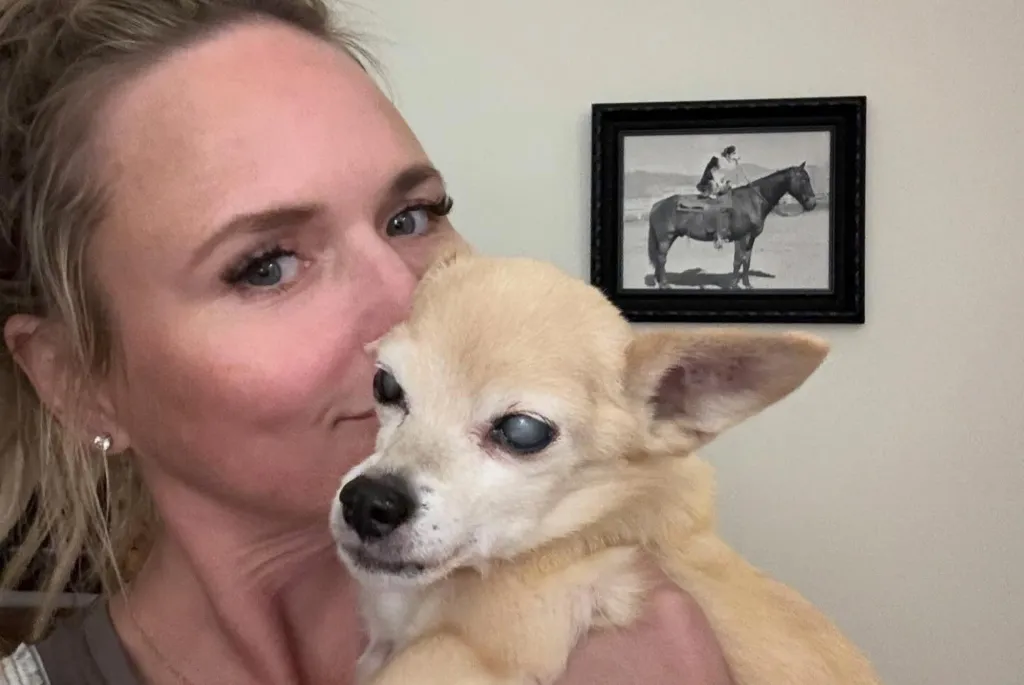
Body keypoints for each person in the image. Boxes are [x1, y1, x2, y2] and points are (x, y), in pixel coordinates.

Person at [0, 1, 736, 684]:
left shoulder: (645, 620)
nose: (406, 305)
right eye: (266, 266)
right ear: (75, 380)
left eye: (411, 217)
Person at [692, 146, 741, 249]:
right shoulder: (719, 161)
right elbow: (714, 173)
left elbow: (726, 171)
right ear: (728, 154)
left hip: (717, 182)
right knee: (721, 207)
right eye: (733, 154)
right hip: (709, 184)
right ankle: (718, 235)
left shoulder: (725, 162)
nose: (734, 156)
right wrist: (721, 185)